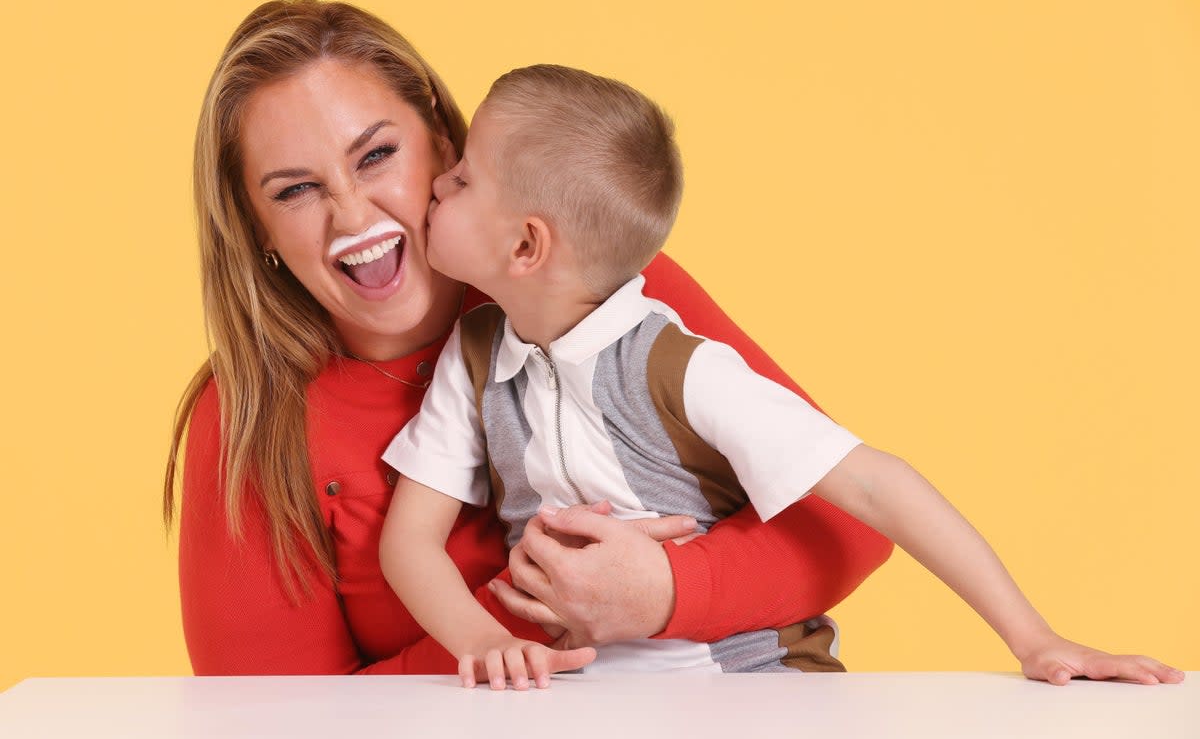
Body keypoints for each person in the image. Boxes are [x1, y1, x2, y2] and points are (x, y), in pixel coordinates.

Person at [379, 64, 1186, 690]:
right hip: (583, 694)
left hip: (749, 683)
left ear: (525, 249)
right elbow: (409, 541)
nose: (435, 186)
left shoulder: (678, 367)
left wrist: (1035, 639)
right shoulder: (479, 352)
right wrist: (485, 644)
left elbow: (875, 487)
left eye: (459, 182)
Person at [164, 0, 895, 676]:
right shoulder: (247, 419)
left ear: (443, 144)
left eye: (377, 155)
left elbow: (851, 521)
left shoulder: (593, 284)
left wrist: (668, 589)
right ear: (253, 227)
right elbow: (269, 717)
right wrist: (530, 610)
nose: (353, 217)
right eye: (295, 190)